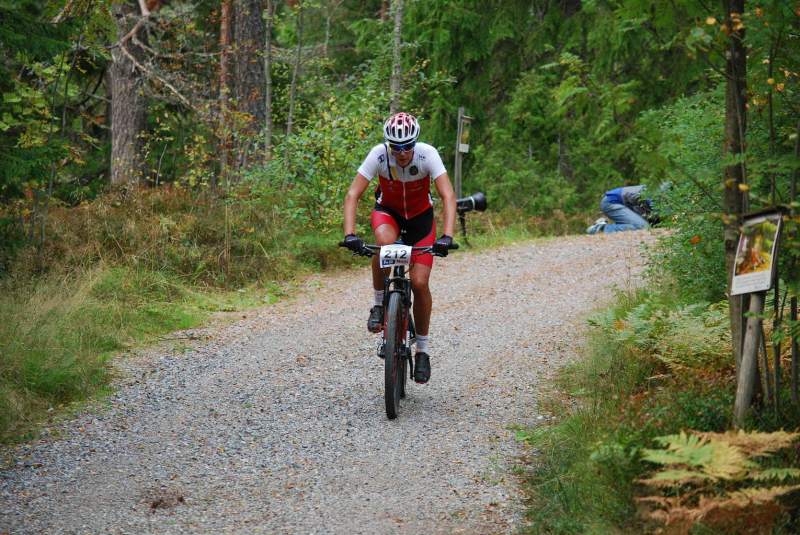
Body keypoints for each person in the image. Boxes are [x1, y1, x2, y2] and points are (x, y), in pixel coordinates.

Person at [342, 112, 456, 384]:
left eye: (407, 146)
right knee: (383, 245)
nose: (402, 153)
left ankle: (422, 351)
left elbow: (448, 195)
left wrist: (447, 236)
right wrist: (350, 234)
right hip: (389, 214)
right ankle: (378, 305)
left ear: (415, 143)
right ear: (388, 144)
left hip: (421, 221)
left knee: (419, 283)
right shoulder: (379, 155)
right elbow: (353, 194)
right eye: (396, 147)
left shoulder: (427, 154)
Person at [586, 184, 659, 234]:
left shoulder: (662, 187)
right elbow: (658, 211)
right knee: (642, 227)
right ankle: (600, 228)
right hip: (611, 202)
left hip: (627, 205)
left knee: (653, 224)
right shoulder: (659, 190)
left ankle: (605, 224)